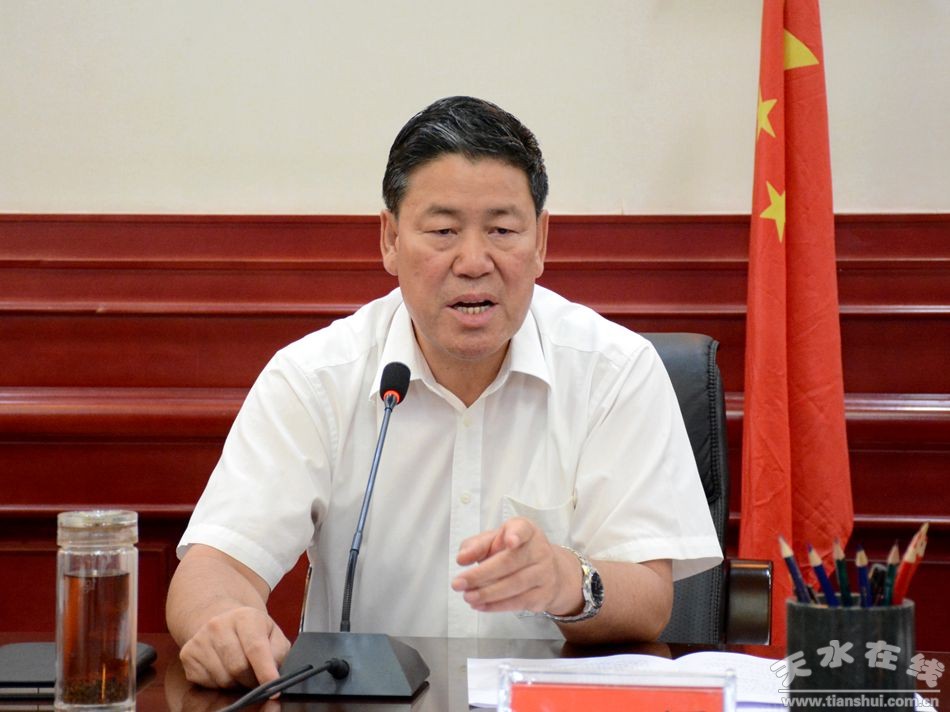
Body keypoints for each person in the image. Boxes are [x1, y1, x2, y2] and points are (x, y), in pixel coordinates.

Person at [165, 96, 722, 689]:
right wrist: (223, 621)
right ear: (390, 239)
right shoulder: (315, 378)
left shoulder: (614, 372)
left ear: (540, 241)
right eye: (443, 231)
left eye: (502, 230)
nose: (474, 261)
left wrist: (565, 580)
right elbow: (216, 565)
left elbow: (650, 600)